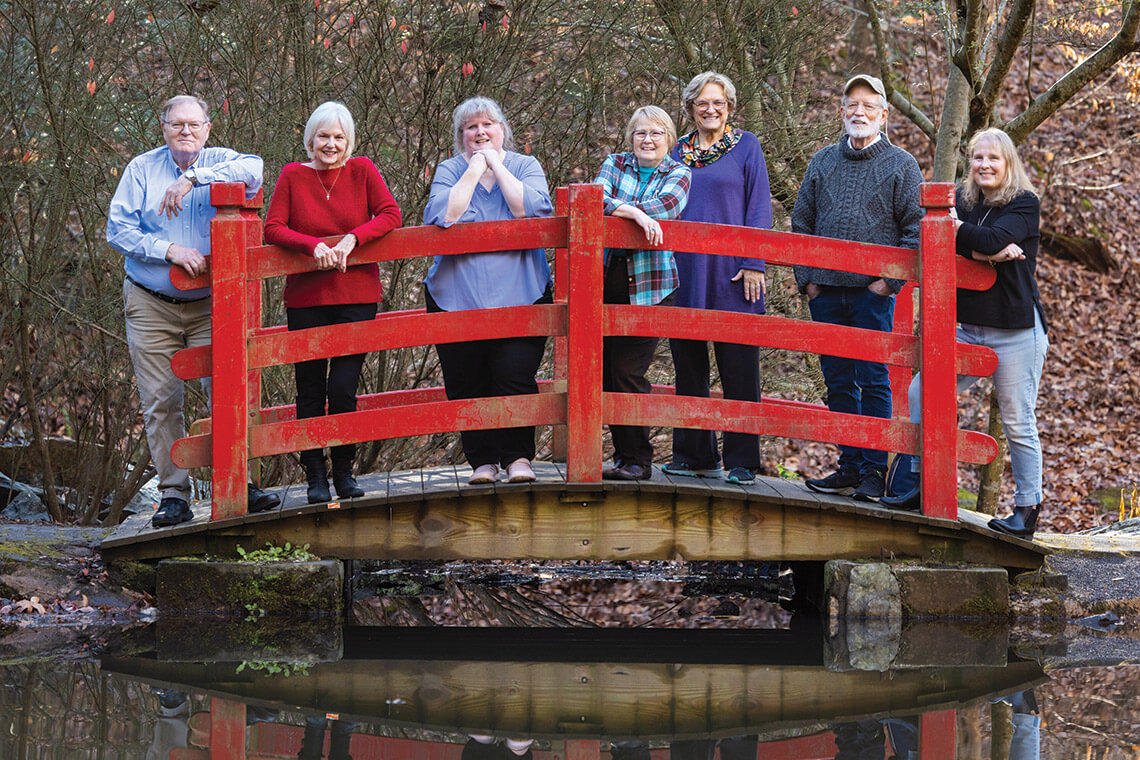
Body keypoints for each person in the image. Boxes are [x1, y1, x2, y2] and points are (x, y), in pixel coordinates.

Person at [107, 94, 279, 528]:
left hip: (212, 306)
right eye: (176, 124)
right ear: (162, 127)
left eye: (193, 124)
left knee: (226, 390)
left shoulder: (222, 160)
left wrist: (194, 178)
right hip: (150, 303)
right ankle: (173, 496)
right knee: (161, 401)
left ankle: (238, 482)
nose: (185, 131)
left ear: (208, 128)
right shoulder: (141, 170)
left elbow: (255, 169)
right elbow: (118, 229)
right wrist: (168, 249)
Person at [881, 128, 1048, 539]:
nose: (985, 165)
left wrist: (965, 237)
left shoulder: (1024, 204)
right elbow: (940, 240)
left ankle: (1027, 509)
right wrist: (984, 251)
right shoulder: (964, 201)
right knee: (922, 392)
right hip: (969, 331)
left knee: (1017, 420)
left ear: (1008, 163)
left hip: (1016, 333)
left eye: (993, 158)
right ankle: (921, 481)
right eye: (977, 158)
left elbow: (992, 236)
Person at [792, 74, 923, 503]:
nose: (859, 112)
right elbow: (801, 222)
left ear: (884, 114)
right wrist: (807, 281)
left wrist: (888, 284)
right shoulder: (823, 161)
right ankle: (848, 465)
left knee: (873, 379)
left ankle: (871, 472)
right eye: (852, 104)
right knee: (837, 380)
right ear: (842, 112)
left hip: (873, 294)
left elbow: (913, 230)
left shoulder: (902, 164)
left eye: (869, 105)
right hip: (825, 291)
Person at [264, 101, 402, 504]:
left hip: (356, 294)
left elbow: (391, 213)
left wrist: (351, 239)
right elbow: (273, 228)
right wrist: (314, 247)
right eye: (323, 136)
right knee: (309, 389)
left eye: (339, 137)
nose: (331, 144)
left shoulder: (362, 170)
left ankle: (344, 472)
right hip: (306, 297)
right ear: (310, 139)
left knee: (343, 387)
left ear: (349, 141)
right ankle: (315, 477)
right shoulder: (293, 175)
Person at [423, 97, 553, 486]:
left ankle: (518, 458)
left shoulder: (524, 165)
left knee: (514, 376)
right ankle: (482, 462)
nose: (480, 133)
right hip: (456, 297)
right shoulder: (449, 170)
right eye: (470, 128)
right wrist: (474, 167)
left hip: (521, 293)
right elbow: (445, 215)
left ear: (503, 130)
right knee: (467, 382)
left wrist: (495, 162)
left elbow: (527, 209)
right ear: (460, 136)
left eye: (488, 125)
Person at [665, 71, 772, 486]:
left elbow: (759, 206)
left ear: (729, 106)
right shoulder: (676, 151)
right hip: (686, 269)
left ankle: (742, 459)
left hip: (734, 271)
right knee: (688, 366)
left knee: (739, 368)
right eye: (702, 104)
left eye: (718, 103)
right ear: (691, 108)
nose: (711, 110)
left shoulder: (746, 146)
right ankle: (694, 454)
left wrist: (754, 263)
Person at [594, 106, 691, 481]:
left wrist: (622, 209)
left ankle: (639, 460)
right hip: (604, 279)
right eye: (640, 134)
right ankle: (621, 457)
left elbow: (667, 208)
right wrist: (635, 215)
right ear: (630, 137)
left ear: (668, 139)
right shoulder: (615, 163)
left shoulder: (679, 172)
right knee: (604, 373)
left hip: (651, 286)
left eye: (656, 134)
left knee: (626, 371)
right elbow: (594, 201)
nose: (647, 140)